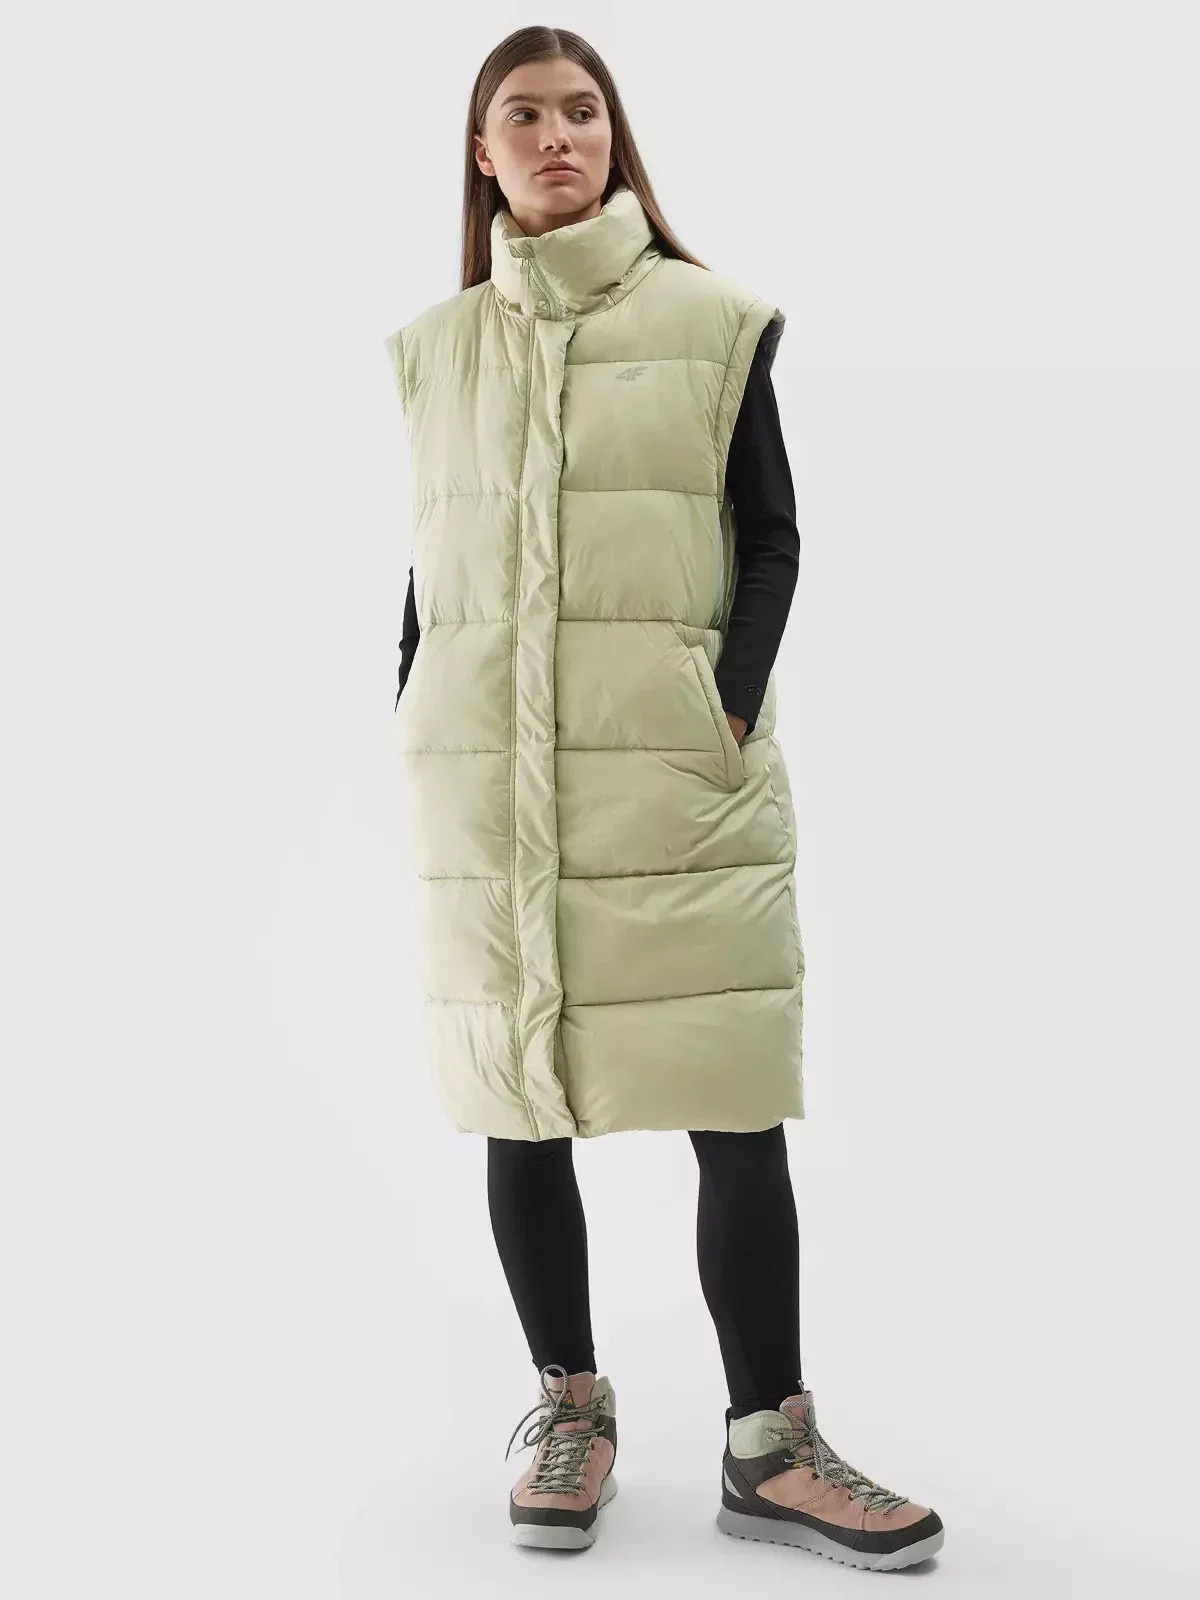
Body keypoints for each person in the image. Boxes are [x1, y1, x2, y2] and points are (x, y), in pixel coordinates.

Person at [383, 25, 944, 1571]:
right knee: (518, 1097)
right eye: (524, 115)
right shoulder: (436, 349)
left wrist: (724, 703)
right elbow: (430, 562)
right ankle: (568, 1408)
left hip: (679, 781)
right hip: (485, 789)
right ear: (483, 154)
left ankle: (773, 1446)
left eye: (583, 111)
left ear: (616, 139)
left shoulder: (711, 323)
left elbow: (773, 536)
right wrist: (417, 704)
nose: (558, 135)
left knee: (731, 1094)